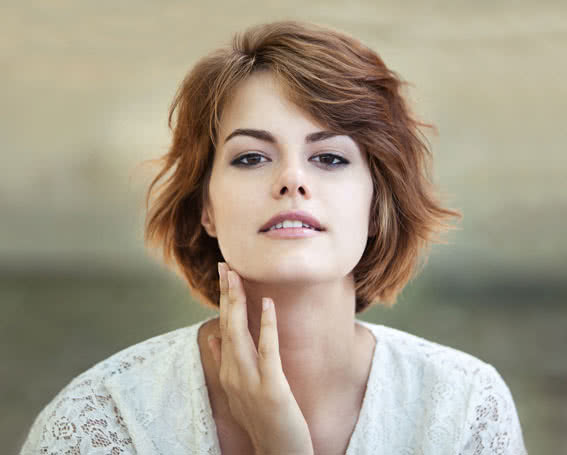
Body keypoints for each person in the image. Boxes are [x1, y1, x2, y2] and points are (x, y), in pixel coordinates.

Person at [19, 20, 528, 454]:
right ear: (206, 208)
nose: (292, 179)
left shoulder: (463, 406)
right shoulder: (101, 422)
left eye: (329, 158)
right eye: (250, 157)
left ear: (378, 205)